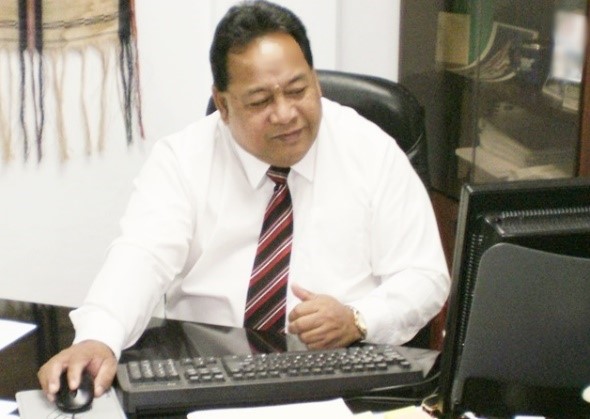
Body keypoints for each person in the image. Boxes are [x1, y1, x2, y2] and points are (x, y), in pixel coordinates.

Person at [38, 0, 450, 403]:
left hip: (342, 375)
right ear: (223, 104)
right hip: (208, 372)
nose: (286, 113)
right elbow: (141, 256)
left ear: (315, 82)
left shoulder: (370, 151)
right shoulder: (183, 159)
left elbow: (425, 276)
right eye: (260, 102)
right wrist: (98, 337)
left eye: (298, 90)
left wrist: (359, 318)